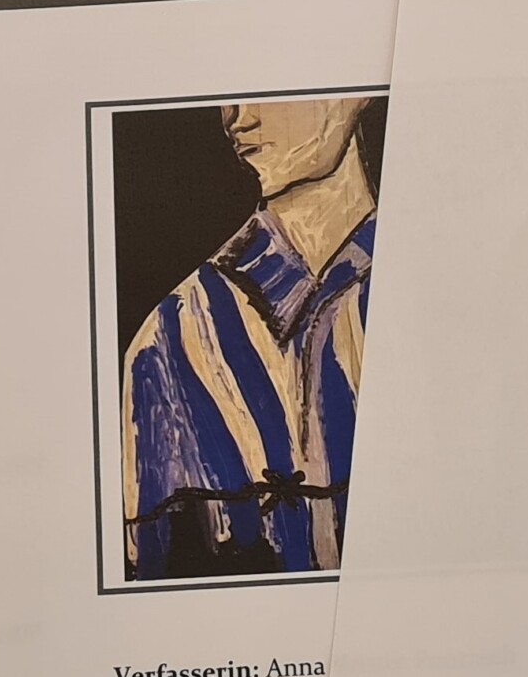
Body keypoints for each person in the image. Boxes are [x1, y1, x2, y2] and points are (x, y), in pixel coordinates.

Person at [122, 96, 377, 578]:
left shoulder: (442, 305)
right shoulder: (170, 340)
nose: (239, 119)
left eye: (273, 89)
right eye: (226, 97)